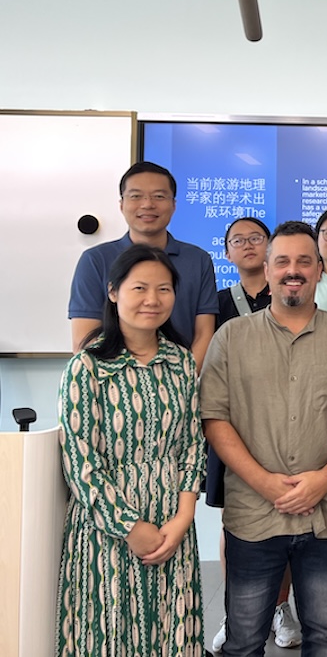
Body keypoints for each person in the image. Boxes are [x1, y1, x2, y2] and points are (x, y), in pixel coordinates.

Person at [199, 221, 327, 656]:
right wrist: (264, 482)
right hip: (253, 514)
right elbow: (215, 417)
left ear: (319, 269)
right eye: (282, 262)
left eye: (303, 261)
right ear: (267, 269)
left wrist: (324, 479)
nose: (292, 270)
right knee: (244, 639)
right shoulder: (231, 337)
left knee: (325, 634)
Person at [57, 244, 205, 656]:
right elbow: (81, 464)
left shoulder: (181, 362)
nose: (152, 299)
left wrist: (183, 517)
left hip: (171, 524)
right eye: (139, 288)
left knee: (171, 634)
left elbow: (192, 444)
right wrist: (130, 527)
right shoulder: (86, 367)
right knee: (109, 634)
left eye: (163, 289)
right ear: (113, 292)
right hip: (107, 532)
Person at [208, 218, 303, 652]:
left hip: (288, 430)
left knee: (286, 519)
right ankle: (238, 613)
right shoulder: (217, 303)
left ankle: (280, 607)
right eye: (238, 240)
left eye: (256, 238)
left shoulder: (290, 293)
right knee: (235, 522)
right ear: (227, 251)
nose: (247, 245)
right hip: (234, 431)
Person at [69, 161, 218, 368]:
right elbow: (85, 339)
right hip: (112, 382)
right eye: (136, 196)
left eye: (159, 196)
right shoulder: (95, 260)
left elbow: (204, 334)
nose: (147, 204)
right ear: (122, 205)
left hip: (182, 379)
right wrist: (133, 380)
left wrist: (183, 377)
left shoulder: (198, 259)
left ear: (174, 205)